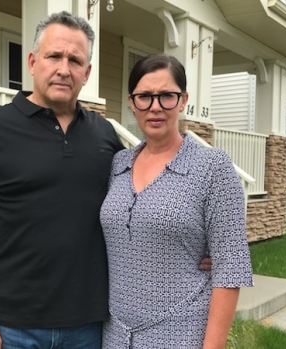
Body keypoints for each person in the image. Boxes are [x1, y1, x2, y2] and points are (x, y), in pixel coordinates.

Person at [0, 11, 212, 349]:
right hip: (13, 326)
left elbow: (144, 199)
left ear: (87, 72)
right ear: (32, 62)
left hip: (89, 327)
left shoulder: (104, 136)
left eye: (75, 60)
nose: (64, 68)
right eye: (54, 56)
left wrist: (204, 237)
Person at [100, 53, 254, 349]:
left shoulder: (212, 167)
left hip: (182, 336)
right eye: (144, 96)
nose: (155, 106)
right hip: (115, 336)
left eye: (166, 96)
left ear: (183, 100)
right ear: (132, 103)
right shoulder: (118, 165)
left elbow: (230, 267)